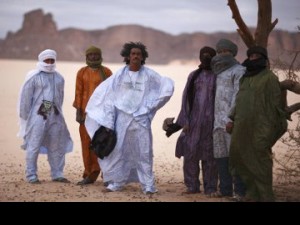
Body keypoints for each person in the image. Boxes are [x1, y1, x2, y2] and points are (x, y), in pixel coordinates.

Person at [85, 41, 174, 194]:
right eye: (133, 54)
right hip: (122, 119)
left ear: (143, 57)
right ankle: (117, 183)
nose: (135, 56)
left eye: (138, 54)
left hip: (141, 120)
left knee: (144, 152)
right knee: (119, 151)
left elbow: (166, 89)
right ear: (127, 56)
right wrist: (109, 122)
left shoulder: (150, 75)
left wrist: (148, 108)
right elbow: (108, 97)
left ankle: (148, 186)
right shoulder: (120, 74)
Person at [229, 46, 288, 202]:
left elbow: (275, 106)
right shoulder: (245, 78)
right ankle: (252, 194)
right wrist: (232, 119)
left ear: (263, 59)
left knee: (261, 162)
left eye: (257, 56)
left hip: (261, 127)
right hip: (241, 125)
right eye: (251, 56)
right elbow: (239, 100)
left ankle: (266, 196)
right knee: (238, 157)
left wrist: (269, 129)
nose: (253, 58)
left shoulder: (269, 78)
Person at [163, 46, 219, 196]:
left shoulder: (218, 76)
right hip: (193, 123)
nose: (206, 57)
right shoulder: (194, 75)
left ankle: (211, 188)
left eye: (209, 55)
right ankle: (192, 186)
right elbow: (185, 100)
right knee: (190, 154)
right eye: (204, 55)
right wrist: (184, 121)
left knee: (210, 157)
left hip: (212, 123)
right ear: (200, 57)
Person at [17, 49, 73, 184]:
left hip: (56, 115)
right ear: (41, 60)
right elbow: (25, 99)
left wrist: (57, 111)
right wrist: (25, 118)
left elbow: (61, 97)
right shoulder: (33, 77)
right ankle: (31, 175)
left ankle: (57, 174)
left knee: (57, 145)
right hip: (37, 116)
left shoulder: (59, 78)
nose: (49, 63)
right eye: (46, 60)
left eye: (51, 60)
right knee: (33, 145)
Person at [210, 39, 246, 199]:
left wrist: (232, 118)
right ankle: (225, 190)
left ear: (233, 53)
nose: (223, 55)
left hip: (231, 122)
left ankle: (239, 192)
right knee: (221, 157)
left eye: (226, 51)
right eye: (220, 52)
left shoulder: (239, 70)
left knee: (235, 158)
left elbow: (238, 96)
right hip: (217, 123)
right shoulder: (216, 72)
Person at [73, 46, 112, 185]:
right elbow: (78, 92)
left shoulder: (106, 72)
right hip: (85, 114)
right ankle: (89, 174)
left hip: (101, 115)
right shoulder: (82, 72)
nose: (94, 57)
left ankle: (107, 175)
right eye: (91, 55)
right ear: (87, 56)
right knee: (86, 144)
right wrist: (78, 112)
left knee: (103, 144)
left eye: (96, 54)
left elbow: (110, 93)